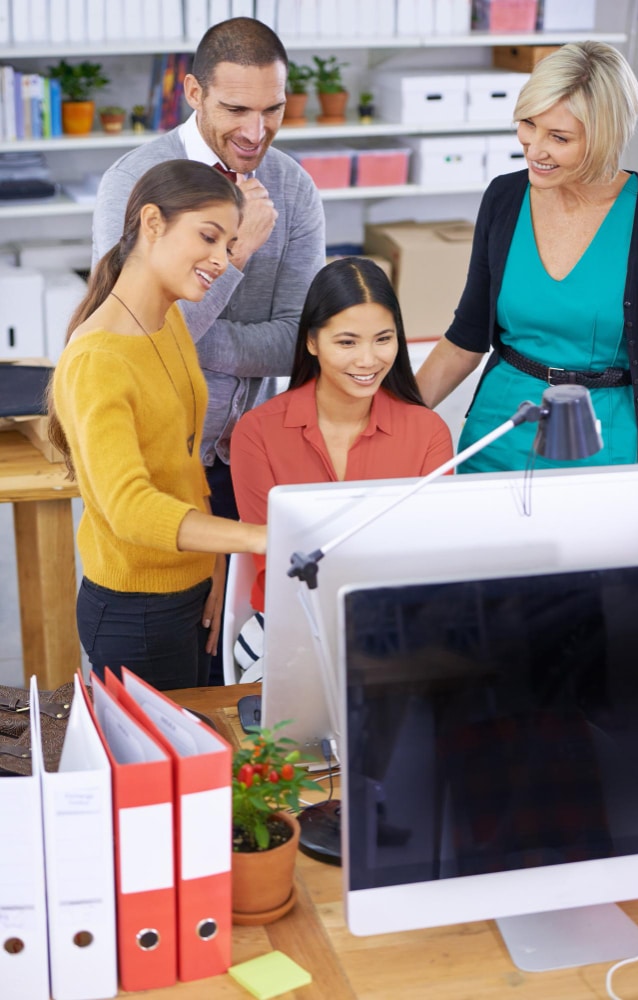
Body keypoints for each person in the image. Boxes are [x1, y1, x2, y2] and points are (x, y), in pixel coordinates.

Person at [92, 18, 326, 674]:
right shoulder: (134, 184)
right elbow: (128, 338)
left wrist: (186, 334)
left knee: (238, 667)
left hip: (246, 459)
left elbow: (296, 344)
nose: (257, 131)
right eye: (236, 110)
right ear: (193, 92)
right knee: (161, 663)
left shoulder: (292, 187)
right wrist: (237, 251)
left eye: (273, 109)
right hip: (157, 466)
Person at [48, 160, 266, 691]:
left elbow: (184, 466)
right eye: (208, 237)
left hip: (188, 588)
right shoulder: (97, 360)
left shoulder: (167, 320)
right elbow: (130, 509)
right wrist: (258, 538)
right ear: (152, 222)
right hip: (137, 613)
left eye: (229, 244)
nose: (222, 260)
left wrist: (214, 564)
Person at [416, 41, 638, 472]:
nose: (534, 149)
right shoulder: (504, 197)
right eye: (529, 124)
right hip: (495, 435)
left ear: (605, 137)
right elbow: (464, 341)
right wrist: (386, 422)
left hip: (601, 447)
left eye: (559, 137)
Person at [229, 257, 454, 680]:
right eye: (347, 342)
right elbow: (272, 565)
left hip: (401, 623)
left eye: (383, 339)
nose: (368, 360)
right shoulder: (257, 433)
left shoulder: (428, 432)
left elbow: (428, 559)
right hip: (296, 624)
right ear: (312, 342)